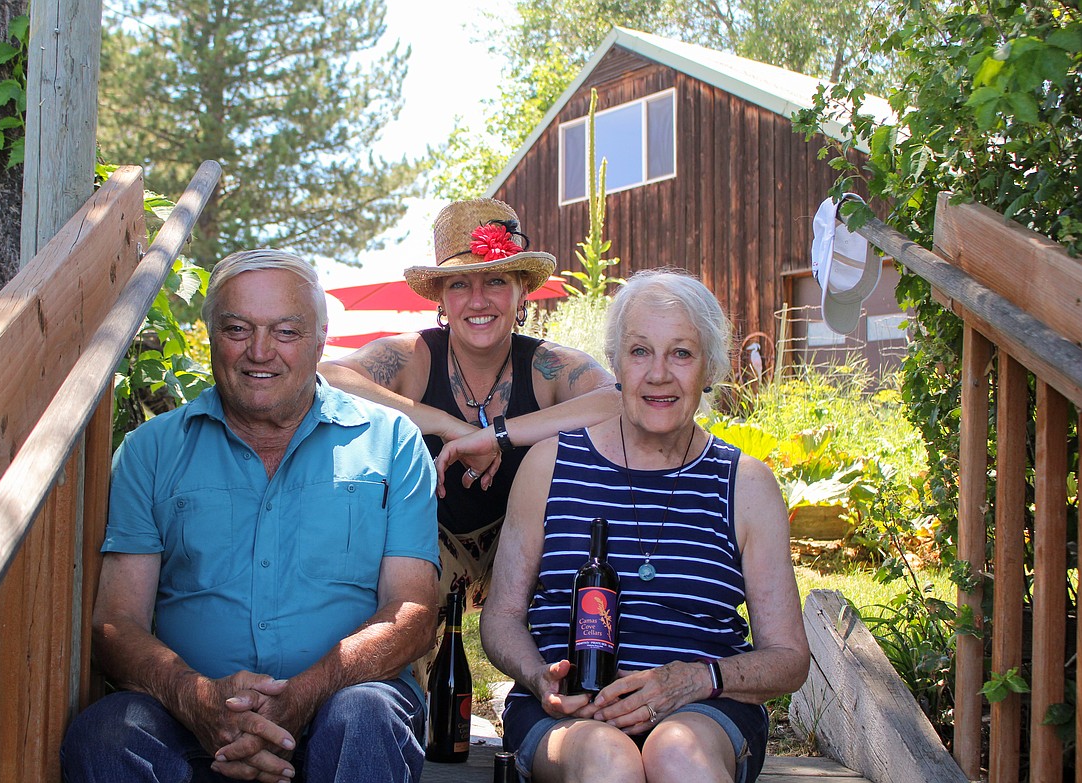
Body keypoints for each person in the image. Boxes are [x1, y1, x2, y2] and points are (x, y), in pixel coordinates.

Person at [61, 250, 441, 783]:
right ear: (212, 333)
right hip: (188, 722)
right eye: (237, 329)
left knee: (365, 716)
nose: (259, 352)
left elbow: (413, 611)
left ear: (320, 337)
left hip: (346, 708)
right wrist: (199, 701)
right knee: (105, 734)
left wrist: (304, 695)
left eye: (286, 331)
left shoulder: (391, 442)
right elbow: (116, 622)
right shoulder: (151, 450)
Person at [481, 268, 810, 783]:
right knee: (608, 762)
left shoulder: (746, 485)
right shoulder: (548, 466)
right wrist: (539, 677)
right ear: (615, 362)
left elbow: (789, 659)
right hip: (566, 717)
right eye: (640, 352)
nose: (659, 374)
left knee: (677, 757)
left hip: (704, 713)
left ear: (710, 367)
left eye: (681, 353)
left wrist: (695, 680)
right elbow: (500, 618)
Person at [319, 198, 618, 611]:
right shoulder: (415, 356)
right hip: (426, 539)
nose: (478, 301)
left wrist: (499, 436)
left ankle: (545, 674)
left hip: (524, 543)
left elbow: (622, 401)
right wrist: (444, 424)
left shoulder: (549, 366)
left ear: (522, 291)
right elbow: (327, 378)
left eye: (495, 281)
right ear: (441, 297)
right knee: (400, 613)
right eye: (460, 284)